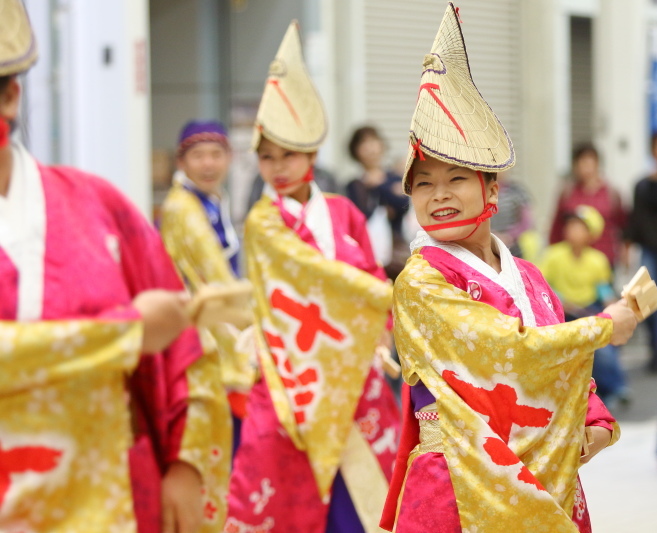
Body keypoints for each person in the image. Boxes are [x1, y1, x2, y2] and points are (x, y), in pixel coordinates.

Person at [380, 5, 638, 532]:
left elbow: (561, 367)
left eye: (456, 178)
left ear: (491, 188)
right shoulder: (422, 280)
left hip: (543, 471)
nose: (438, 196)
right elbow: (510, 351)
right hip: (458, 480)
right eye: (423, 184)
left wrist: (594, 424)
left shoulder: (531, 278)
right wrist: (606, 327)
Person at [0, 2, 230, 531]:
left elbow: (180, 339)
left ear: (11, 95)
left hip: (119, 494)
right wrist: (126, 332)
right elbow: (150, 326)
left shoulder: (95, 206)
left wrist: (185, 462)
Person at [225, 21, 400, 533]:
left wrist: (382, 330)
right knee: (293, 491)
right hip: (294, 371)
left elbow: (365, 268)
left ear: (312, 156)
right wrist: (392, 297)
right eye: (267, 157)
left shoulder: (344, 211)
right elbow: (324, 280)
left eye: (289, 155)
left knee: (361, 497)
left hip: (354, 363)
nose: (277, 167)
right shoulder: (263, 222)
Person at [159, 120, 255, 462]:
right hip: (208, 339)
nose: (209, 164)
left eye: (216, 154)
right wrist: (253, 322)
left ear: (230, 158)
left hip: (217, 330)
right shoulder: (183, 207)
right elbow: (215, 276)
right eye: (198, 156)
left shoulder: (209, 201)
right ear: (181, 162)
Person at [539, 205, 629, 408]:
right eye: (570, 225)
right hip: (560, 313)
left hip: (589, 309)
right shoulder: (553, 255)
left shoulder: (597, 260)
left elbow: (603, 289)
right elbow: (542, 283)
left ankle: (616, 387)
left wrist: (611, 307)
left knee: (603, 346)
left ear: (591, 234)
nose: (573, 230)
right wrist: (559, 298)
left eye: (580, 227)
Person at [626, 131, 657, 372]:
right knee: (644, 302)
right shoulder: (642, 185)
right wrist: (627, 246)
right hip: (649, 250)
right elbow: (635, 220)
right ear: (653, 151)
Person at [346, 125, 410, 278]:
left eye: (373, 141)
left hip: (395, 250)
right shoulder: (354, 185)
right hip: (365, 252)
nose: (370, 148)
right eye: (364, 143)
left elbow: (402, 207)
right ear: (356, 151)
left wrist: (380, 185)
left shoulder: (395, 178)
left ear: (382, 145)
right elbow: (358, 217)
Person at [549, 142, 627, 268]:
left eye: (590, 162)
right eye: (582, 162)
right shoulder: (568, 193)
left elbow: (623, 225)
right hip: (573, 260)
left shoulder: (611, 193)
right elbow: (557, 227)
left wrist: (625, 251)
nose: (586, 167)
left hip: (605, 258)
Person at [492, 170, 534, 257]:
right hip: (488, 242)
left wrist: (509, 236)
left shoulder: (517, 191)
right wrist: (492, 236)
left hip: (513, 244)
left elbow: (526, 221)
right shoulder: (482, 191)